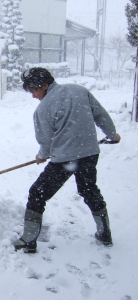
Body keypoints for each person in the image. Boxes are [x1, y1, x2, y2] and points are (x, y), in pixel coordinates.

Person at [13, 67, 121, 254]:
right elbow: (100, 114)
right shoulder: (79, 90)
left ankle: (29, 240)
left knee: (37, 192)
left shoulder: (43, 109)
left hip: (64, 159)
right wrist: (112, 134)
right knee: (89, 191)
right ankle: (105, 234)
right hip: (89, 154)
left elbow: (46, 142)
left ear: (45, 85)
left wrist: (42, 155)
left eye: (34, 90)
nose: (33, 96)